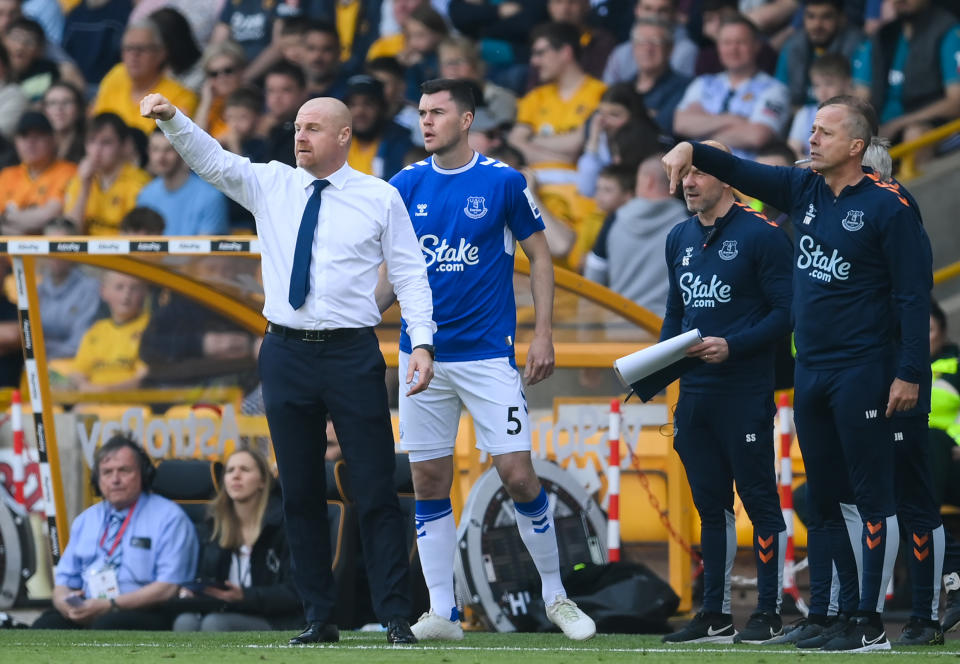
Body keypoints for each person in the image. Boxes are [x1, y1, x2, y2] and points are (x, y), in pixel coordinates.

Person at [141, 88, 435, 645]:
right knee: (298, 490)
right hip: (285, 351)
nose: (300, 136)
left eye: (314, 128)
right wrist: (173, 119)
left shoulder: (379, 197)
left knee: (373, 488)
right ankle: (317, 618)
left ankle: (397, 616)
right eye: (298, 126)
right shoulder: (271, 182)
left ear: (344, 136)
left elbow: (410, 275)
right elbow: (211, 159)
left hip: (352, 351)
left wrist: (421, 343)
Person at [662, 94, 933, 651]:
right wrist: (690, 147)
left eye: (825, 133)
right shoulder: (802, 190)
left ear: (856, 146)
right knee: (826, 498)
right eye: (812, 129)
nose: (812, 139)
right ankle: (834, 617)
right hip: (811, 369)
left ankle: (869, 623)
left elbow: (912, 297)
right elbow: (738, 168)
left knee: (871, 498)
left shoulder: (889, 206)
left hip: (864, 367)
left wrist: (909, 372)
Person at [384, 78, 596, 642]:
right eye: (422, 113)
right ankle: (443, 612)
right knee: (428, 478)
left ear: (467, 119)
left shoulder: (502, 182)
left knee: (517, 474)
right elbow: (390, 272)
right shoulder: (404, 184)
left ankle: (556, 595)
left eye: (437, 113)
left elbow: (542, 258)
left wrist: (543, 333)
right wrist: (351, 320)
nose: (426, 122)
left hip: (486, 356)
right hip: (421, 355)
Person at [656, 140, 791, 645]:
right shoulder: (678, 237)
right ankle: (713, 612)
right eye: (684, 174)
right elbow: (676, 311)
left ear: (727, 179)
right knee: (710, 507)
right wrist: (657, 364)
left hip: (744, 389)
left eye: (699, 172)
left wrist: (732, 346)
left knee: (759, 503)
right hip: (695, 393)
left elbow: (786, 314)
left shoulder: (764, 236)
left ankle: (770, 611)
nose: (689, 182)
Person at [31, 433, 198, 630]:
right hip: (90, 607)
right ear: (97, 479)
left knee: (106, 625)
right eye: (107, 472)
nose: (115, 480)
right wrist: (67, 607)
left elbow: (167, 588)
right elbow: (63, 584)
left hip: (145, 611)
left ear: (143, 474)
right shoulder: (85, 520)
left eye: (124, 471)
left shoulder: (170, 518)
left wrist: (109, 605)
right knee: (45, 626)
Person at [173, 449, 302, 632]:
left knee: (215, 624)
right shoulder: (214, 525)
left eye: (245, 470)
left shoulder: (282, 525)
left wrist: (244, 596)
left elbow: (295, 592)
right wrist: (197, 591)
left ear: (263, 481)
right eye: (230, 470)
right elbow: (207, 577)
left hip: (275, 619)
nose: (236, 476)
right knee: (185, 621)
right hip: (224, 610)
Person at [852, 0, 960, 163]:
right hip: (883, 130)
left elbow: (956, 102)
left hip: (932, 125)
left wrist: (898, 124)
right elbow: (860, 98)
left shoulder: (948, 31)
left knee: (915, 135)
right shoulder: (882, 36)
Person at [673, 14, 791, 159]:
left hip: (746, 176)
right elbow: (681, 124)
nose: (733, 49)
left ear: (756, 45)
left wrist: (703, 128)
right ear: (718, 47)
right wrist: (731, 119)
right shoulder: (703, 83)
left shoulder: (774, 89)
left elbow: (757, 135)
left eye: (740, 42)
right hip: (699, 174)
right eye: (726, 42)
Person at [584, 156, 687, 314]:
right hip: (667, 331)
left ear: (649, 181)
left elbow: (592, 280)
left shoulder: (614, 220)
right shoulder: (689, 223)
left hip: (617, 328)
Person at [91, 19, 198, 137]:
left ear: (161, 54)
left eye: (141, 49)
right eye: (128, 48)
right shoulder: (116, 74)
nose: (134, 55)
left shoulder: (182, 96)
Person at [64, 113, 151, 235]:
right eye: (92, 141)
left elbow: (136, 238)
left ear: (124, 145)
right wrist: (85, 186)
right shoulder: (80, 179)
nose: (97, 150)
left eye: (106, 143)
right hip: (85, 253)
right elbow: (68, 235)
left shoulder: (139, 182)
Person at [68, 270, 150, 393]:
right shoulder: (96, 330)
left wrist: (106, 391)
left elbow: (144, 378)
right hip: (92, 401)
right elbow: (78, 373)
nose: (126, 294)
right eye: (119, 287)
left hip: (131, 403)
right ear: (103, 292)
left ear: (144, 292)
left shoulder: (151, 328)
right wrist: (83, 386)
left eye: (134, 288)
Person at [137, 129, 229, 236]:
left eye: (169, 149)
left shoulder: (211, 196)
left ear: (184, 151)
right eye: (155, 149)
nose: (160, 157)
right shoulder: (145, 194)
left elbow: (206, 250)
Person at [774, 0, 863, 109]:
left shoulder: (858, 45)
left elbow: (858, 100)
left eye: (826, 17)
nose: (817, 24)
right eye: (811, 16)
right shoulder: (792, 46)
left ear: (841, 18)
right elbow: (779, 96)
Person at [0, 110, 76, 234]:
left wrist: (4, 218)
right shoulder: (7, 175)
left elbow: (49, 216)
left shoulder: (68, 171)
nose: (30, 143)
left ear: (53, 140)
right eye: (24, 136)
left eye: (38, 136)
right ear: (16, 141)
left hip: (48, 251)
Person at [38, 217, 101, 360]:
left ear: (76, 250)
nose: (55, 254)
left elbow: (78, 345)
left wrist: (38, 348)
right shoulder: (35, 286)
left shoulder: (90, 289)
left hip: (71, 368)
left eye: (63, 247)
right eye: (50, 246)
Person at [603, 0, 699, 83]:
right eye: (648, 8)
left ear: (675, 14)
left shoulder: (686, 50)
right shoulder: (621, 52)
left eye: (662, 10)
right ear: (636, 10)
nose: (654, 15)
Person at [344, 74, 413, 180]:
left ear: (382, 108)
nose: (359, 111)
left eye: (368, 104)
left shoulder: (399, 141)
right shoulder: (338, 142)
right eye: (352, 105)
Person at [787, 53, 852, 160]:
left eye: (829, 84)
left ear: (846, 83)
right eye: (817, 85)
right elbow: (792, 153)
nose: (822, 92)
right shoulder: (805, 114)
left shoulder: (855, 116)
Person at [194, 40, 247, 140]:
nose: (222, 78)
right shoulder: (208, 106)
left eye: (228, 70)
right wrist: (206, 102)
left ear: (241, 70)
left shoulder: (253, 100)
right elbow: (196, 140)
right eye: (214, 73)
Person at [41, 80, 85, 162]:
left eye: (66, 102)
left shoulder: (90, 145)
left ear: (79, 108)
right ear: (44, 110)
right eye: (52, 103)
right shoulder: (35, 147)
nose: (59, 108)